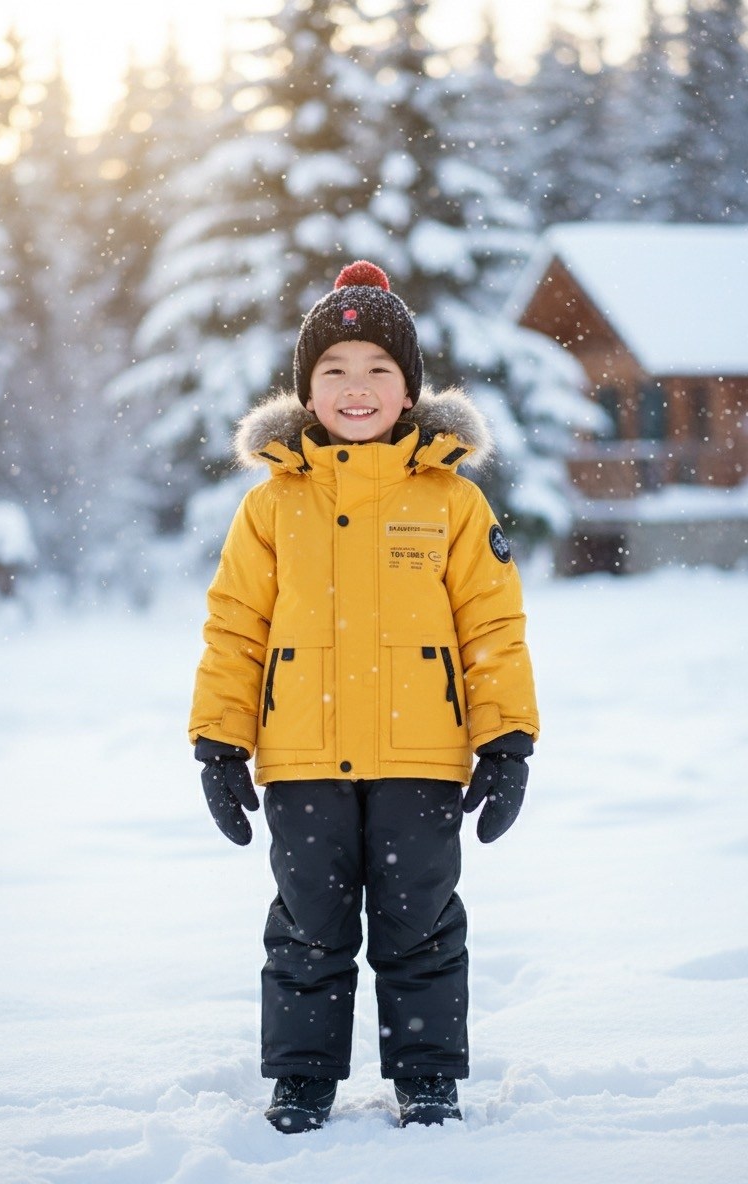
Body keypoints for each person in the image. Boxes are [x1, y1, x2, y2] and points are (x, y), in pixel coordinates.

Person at [188, 260, 539, 1133]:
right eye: (335, 370)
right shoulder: (271, 506)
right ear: (307, 392)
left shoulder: (452, 500)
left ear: (410, 389)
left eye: (378, 369)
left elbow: (493, 628)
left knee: (419, 919)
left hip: (420, 753)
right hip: (302, 756)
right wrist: (220, 742)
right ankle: (303, 1078)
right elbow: (234, 628)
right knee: (308, 923)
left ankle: (427, 1076)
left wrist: (507, 739)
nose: (357, 388)